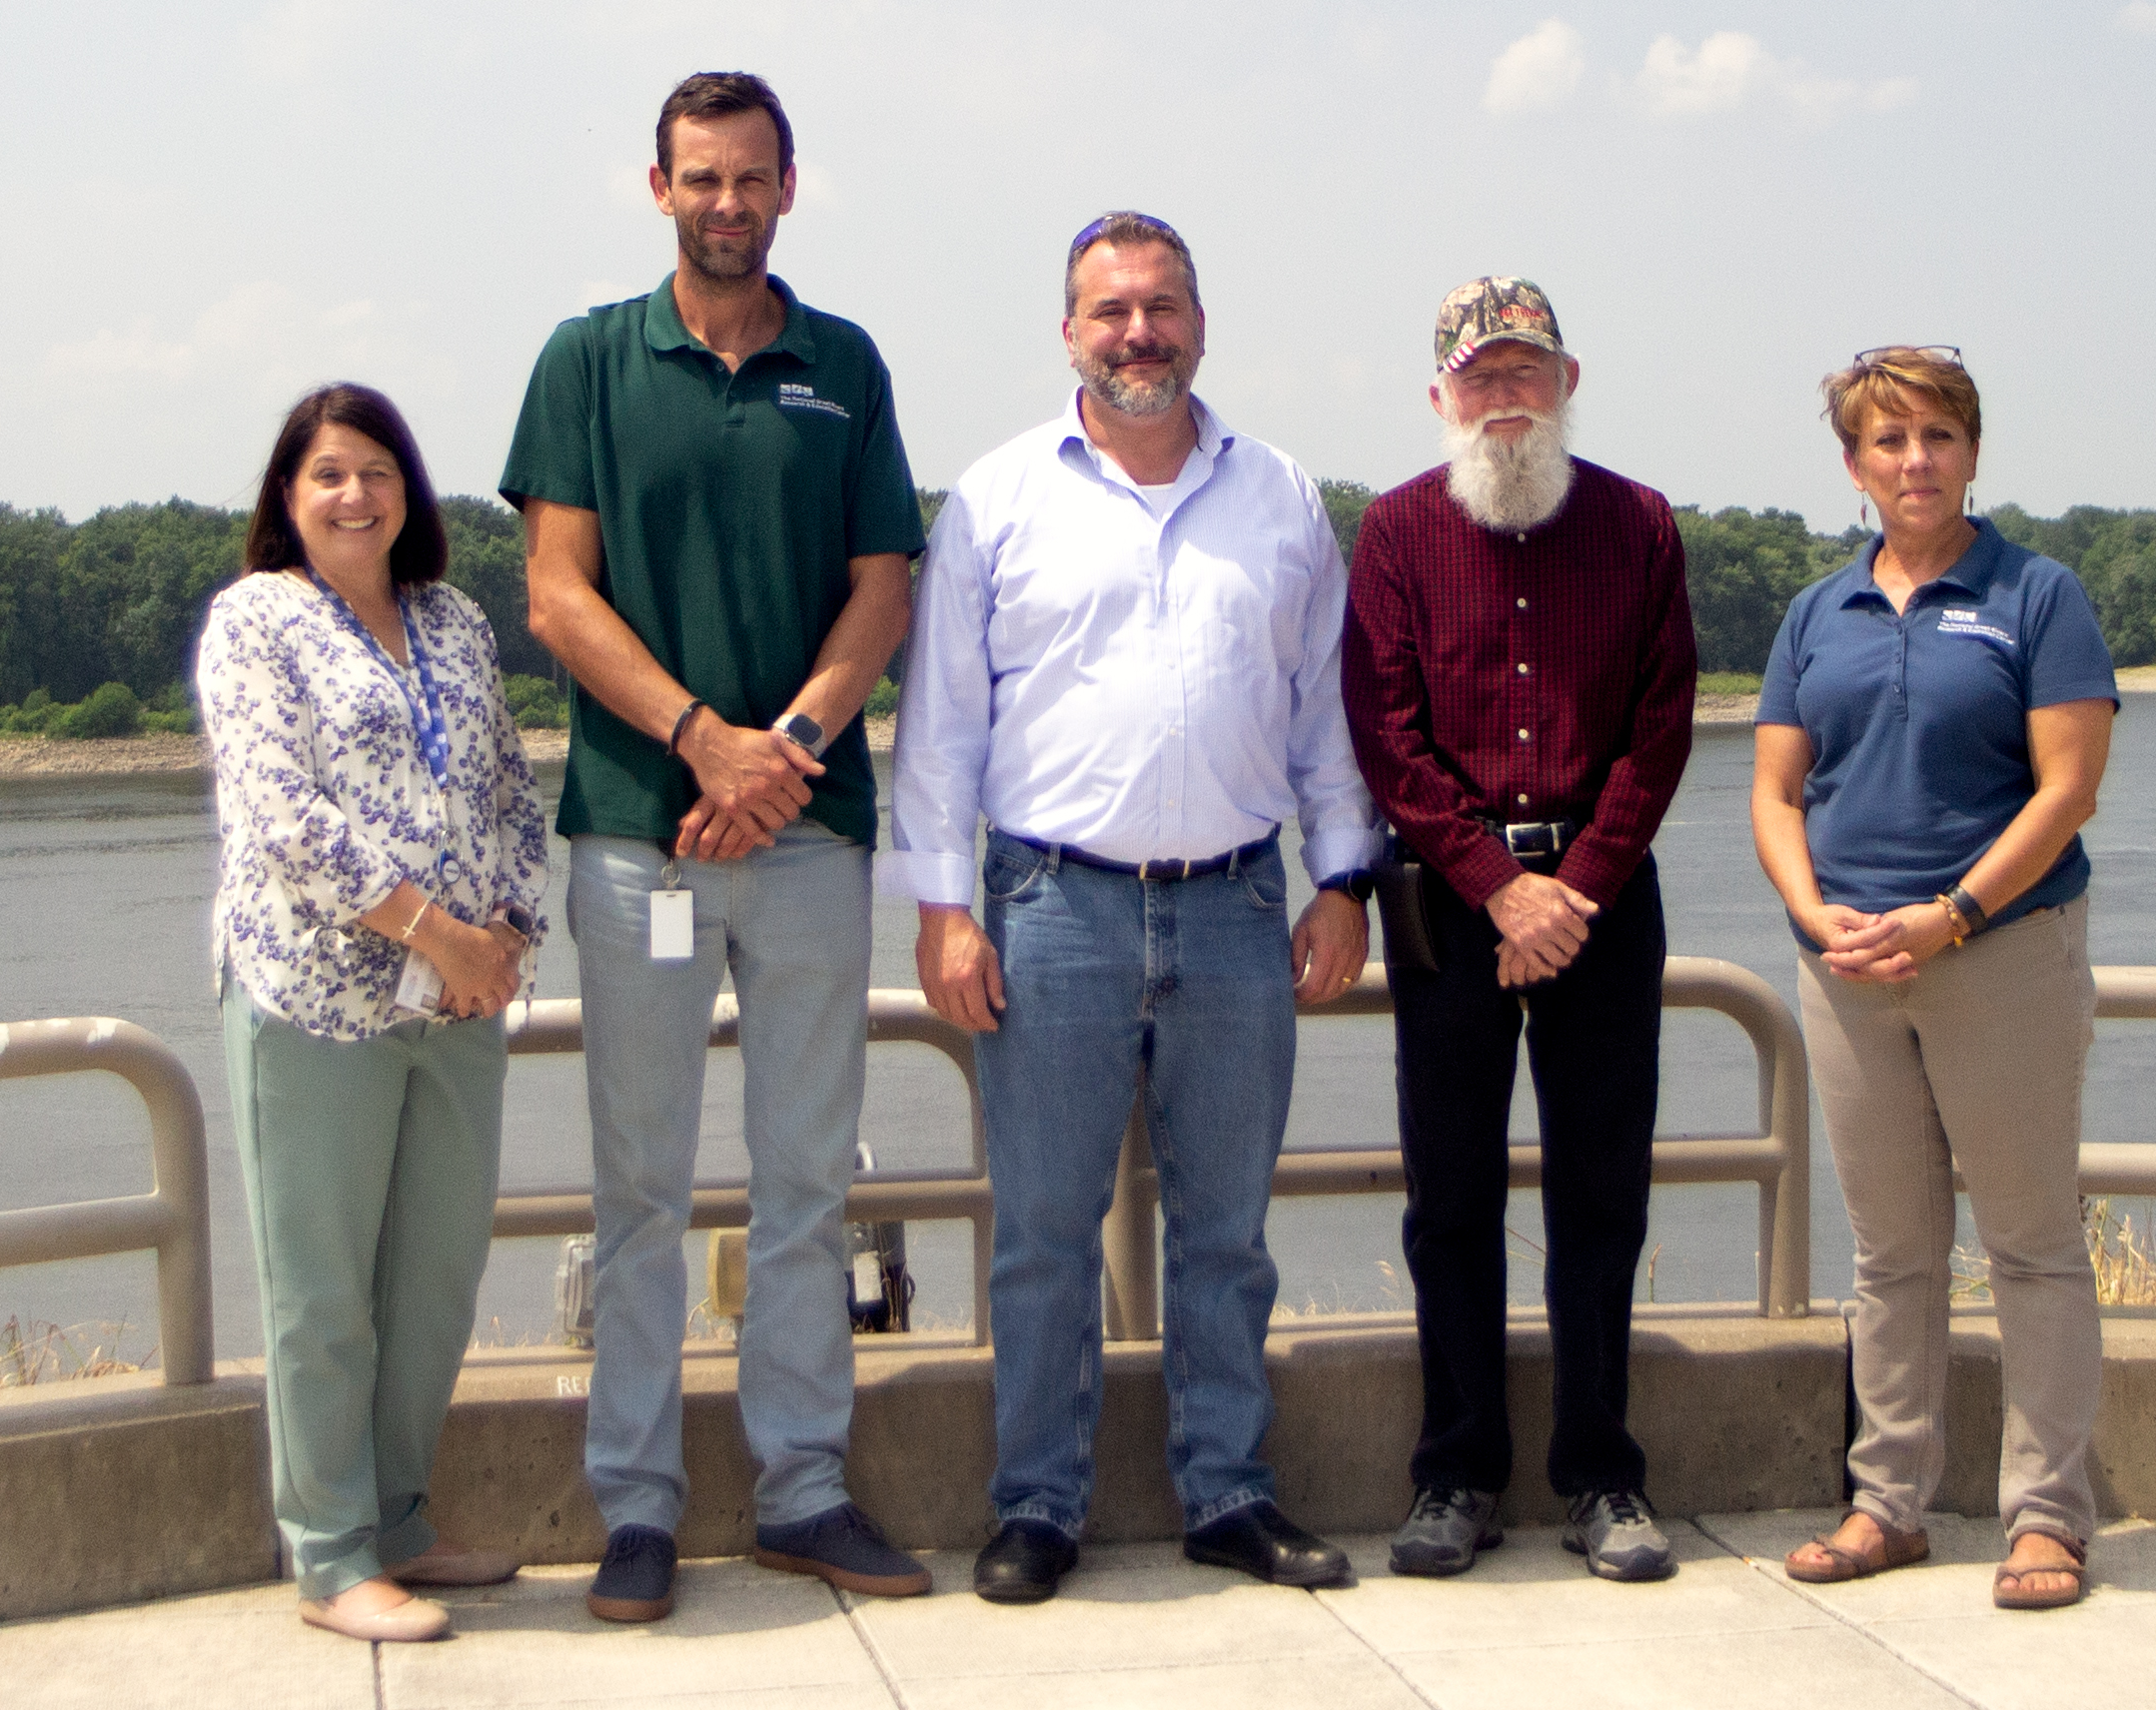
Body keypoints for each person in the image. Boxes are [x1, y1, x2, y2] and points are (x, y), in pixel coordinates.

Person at [886, 211, 1385, 1604]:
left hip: (1235, 911)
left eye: (1161, 308)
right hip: (1050, 908)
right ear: (1068, 334)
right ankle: (1038, 1504)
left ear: (1202, 326)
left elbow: (1322, 715)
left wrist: (1344, 879)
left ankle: (1229, 1493)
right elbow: (941, 731)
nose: (1138, 335)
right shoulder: (994, 500)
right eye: (1110, 312)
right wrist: (942, 909)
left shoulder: (1280, 495)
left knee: (1226, 1233)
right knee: (1043, 1232)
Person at [502, 72, 929, 1622]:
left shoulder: (848, 365)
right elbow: (557, 593)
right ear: (660, 186)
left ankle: (808, 1487)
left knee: (811, 1179)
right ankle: (638, 1505)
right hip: (639, 835)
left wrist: (787, 754)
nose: (727, 202)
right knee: (641, 1188)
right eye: (702, 178)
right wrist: (702, 739)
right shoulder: (589, 359)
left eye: (752, 178)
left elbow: (882, 591)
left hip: (810, 837)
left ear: (791, 188)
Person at [1341, 278, 1695, 1583]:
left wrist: (1574, 888)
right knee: (1452, 1202)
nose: (1504, 397)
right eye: (1479, 376)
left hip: (1601, 900)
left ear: (1567, 382)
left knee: (1602, 1199)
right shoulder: (1394, 532)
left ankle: (1604, 1476)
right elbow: (1385, 731)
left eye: (1524, 372)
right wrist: (1500, 883)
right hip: (1451, 904)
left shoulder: (1640, 525)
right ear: (1440, 394)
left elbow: (1662, 732)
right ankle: (1456, 1475)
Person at [1752, 347, 2116, 1612]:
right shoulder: (1815, 611)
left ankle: (2046, 1518)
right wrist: (1814, 917)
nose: (1915, 461)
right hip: (1848, 967)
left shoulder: (2038, 595)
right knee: (1888, 1252)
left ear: (1972, 450)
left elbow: (2066, 789)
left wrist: (1952, 915)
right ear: (1852, 466)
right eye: (1888, 441)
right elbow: (1775, 790)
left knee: (2029, 1243)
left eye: (1938, 437)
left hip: (1998, 951)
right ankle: (1887, 1501)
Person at [196, 383, 547, 1643]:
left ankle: (402, 1518)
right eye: (328, 474)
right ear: (288, 497)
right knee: (322, 1289)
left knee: (435, 1275)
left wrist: (503, 938)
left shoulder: (452, 621)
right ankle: (332, 1549)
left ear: (411, 491)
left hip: (459, 1003)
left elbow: (508, 785)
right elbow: (283, 815)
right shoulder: (256, 622)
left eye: (377, 471)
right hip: (314, 999)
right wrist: (433, 929)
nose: (355, 495)